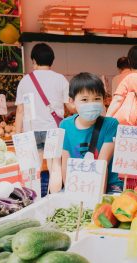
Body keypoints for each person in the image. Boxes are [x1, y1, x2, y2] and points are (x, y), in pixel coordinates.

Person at [15, 43, 75, 194]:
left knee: (32, 169)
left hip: (31, 130)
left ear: (34, 60)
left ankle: (33, 200)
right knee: (54, 166)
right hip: (53, 130)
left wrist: (17, 134)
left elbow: (20, 110)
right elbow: (71, 107)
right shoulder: (60, 79)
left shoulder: (25, 80)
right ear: (52, 60)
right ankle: (53, 200)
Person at [60, 72, 123, 193]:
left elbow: (102, 165)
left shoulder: (111, 124)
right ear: (72, 101)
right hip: (77, 186)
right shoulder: (65, 125)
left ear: (103, 100)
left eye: (97, 99)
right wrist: (69, 192)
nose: (91, 104)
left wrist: (97, 199)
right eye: (84, 99)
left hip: (108, 186)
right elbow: (65, 165)